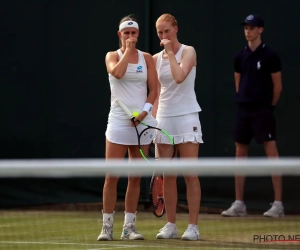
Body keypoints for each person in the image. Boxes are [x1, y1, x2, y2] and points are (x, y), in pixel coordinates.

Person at [97, 14, 158, 241]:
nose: (131, 37)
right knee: (111, 176)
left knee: (135, 177)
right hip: (118, 122)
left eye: (134, 33)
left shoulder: (148, 58)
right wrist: (127, 51)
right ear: (120, 35)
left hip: (142, 121)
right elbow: (118, 73)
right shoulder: (112, 56)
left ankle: (128, 228)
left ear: (138, 34)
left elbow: (154, 90)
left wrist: (143, 113)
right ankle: (107, 227)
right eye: (126, 33)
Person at [221, 14, 284, 218]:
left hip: (263, 111)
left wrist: (267, 106)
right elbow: (239, 84)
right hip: (243, 111)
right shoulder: (239, 56)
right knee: (240, 154)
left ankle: (278, 204)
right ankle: (239, 204)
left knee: (271, 153)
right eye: (246, 27)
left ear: (260, 30)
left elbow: (278, 87)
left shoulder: (270, 56)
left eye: (252, 27)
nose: (248, 31)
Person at [152, 13, 203, 241]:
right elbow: (155, 94)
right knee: (167, 176)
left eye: (167, 31)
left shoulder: (188, 51)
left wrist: (171, 53)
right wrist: (153, 122)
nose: (163, 36)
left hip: (187, 117)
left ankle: (193, 227)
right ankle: (170, 225)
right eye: (160, 33)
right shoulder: (154, 59)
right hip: (164, 119)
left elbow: (180, 76)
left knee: (190, 174)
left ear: (176, 30)